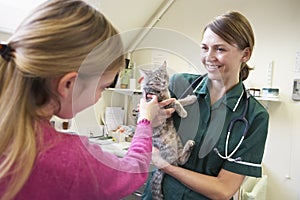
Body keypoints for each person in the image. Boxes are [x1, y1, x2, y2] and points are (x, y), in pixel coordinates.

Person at [0, 0, 175, 199]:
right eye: (102, 87)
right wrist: (145, 121)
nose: (100, 95)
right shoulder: (70, 159)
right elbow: (131, 171)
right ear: (68, 85)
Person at [142, 11, 269, 200]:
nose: (209, 57)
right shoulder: (179, 85)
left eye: (220, 49)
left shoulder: (254, 116)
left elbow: (223, 190)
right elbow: (144, 122)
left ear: (245, 54)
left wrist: (165, 165)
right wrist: (147, 118)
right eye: (204, 48)